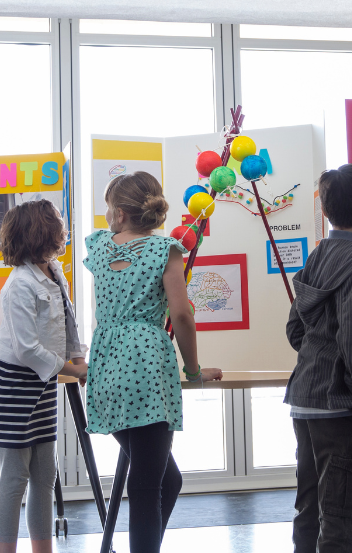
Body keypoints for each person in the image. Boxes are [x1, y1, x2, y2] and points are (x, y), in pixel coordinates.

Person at [83, 171, 222, 553]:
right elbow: (182, 317)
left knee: (164, 481)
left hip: (108, 363)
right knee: (146, 485)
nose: (107, 214)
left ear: (122, 214)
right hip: (146, 366)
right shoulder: (166, 251)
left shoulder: (98, 247)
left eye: (110, 207)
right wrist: (193, 373)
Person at [285, 164, 352, 552]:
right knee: (343, 516)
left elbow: (296, 331)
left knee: (309, 509)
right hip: (341, 406)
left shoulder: (317, 257)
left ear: (326, 213)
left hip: (305, 398)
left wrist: (326, 358)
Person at [0, 200, 88, 553]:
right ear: (40, 231)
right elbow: (27, 350)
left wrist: (79, 359)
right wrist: (74, 370)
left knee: (45, 477)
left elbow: (69, 324)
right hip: (12, 387)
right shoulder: (19, 284)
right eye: (56, 221)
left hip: (41, 385)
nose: (62, 226)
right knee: (14, 479)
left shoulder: (55, 271)